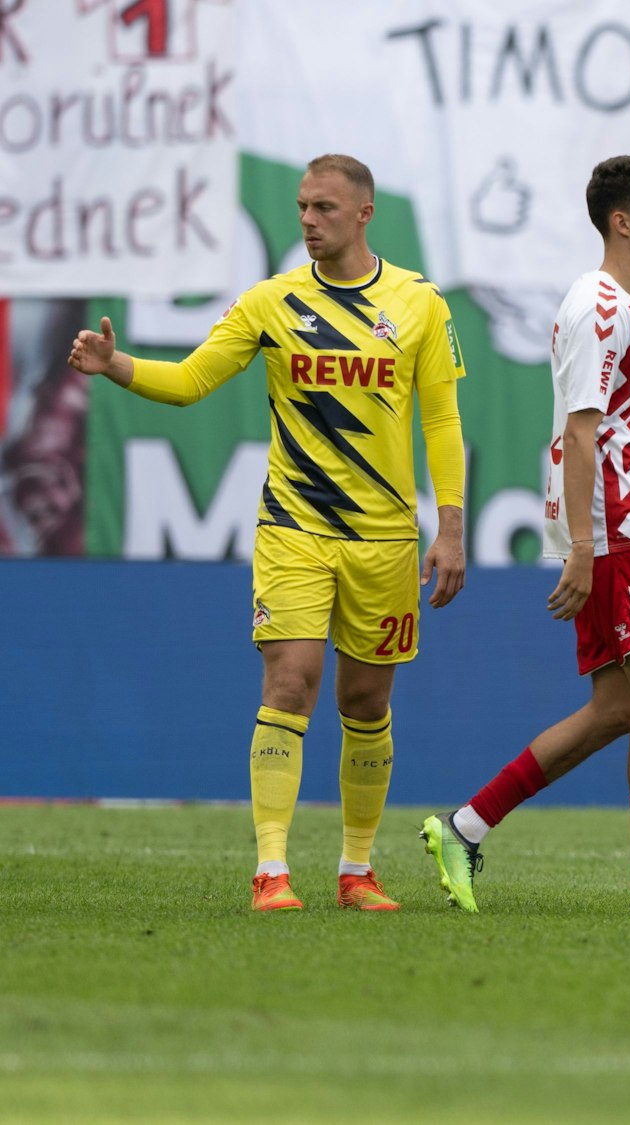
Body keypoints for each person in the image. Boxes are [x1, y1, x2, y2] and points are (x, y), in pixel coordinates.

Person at [66, 154, 467, 912]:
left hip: (385, 538)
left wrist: (451, 526)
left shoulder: (419, 303)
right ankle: (272, 869)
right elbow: (189, 382)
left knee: (367, 702)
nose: (308, 220)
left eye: (322, 207)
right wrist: (116, 364)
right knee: (289, 681)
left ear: (363, 213)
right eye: (301, 207)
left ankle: (355, 869)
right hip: (294, 526)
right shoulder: (271, 302)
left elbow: (441, 418)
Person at [418, 156, 630, 918]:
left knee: (617, 707)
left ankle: (463, 829)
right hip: (615, 530)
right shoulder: (599, 305)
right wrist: (582, 547)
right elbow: (581, 428)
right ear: (622, 221)